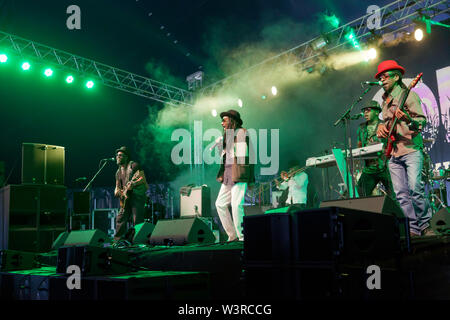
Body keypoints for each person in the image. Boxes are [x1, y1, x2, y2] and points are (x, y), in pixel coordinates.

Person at [375, 60, 434, 237]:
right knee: (401, 194)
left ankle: (425, 225)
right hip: (394, 152)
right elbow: (386, 123)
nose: (382, 80)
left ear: (396, 76)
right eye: (380, 77)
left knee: (415, 188)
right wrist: (380, 127)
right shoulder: (384, 101)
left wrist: (408, 119)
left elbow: (421, 121)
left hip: (411, 149)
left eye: (385, 76)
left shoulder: (408, 96)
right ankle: (413, 229)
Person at [215, 109, 254, 242]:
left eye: (224, 120)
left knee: (237, 205)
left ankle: (243, 236)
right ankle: (232, 235)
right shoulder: (228, 135)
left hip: (239, 174)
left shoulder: (242, 132)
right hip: (227, 175)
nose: (222, 123)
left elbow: (245, 156)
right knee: (220, 204)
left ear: (232, 121)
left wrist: (251, 180)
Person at [356, 100, 394, 198]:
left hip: (385, 167)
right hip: (369, 169)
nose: (365, 113)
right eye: (364, 111)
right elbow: (359, 146)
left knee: (395, 197)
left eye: (368, 110)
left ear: (377, 112)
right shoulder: (361, 128)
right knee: (360, 195)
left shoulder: (385, 125)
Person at [113, 146, 149, 242]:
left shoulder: (134, 166)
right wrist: (117, 191)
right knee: (120, 218)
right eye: (117, 155)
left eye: (120, 155)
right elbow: (117, 186)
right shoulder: (118, 172)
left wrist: (133, 184)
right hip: (126, 198)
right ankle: (117, 241)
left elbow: (142, 179)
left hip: (137, 196)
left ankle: (138, 241)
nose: (118, 157)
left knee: (137, 220)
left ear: (126, 157)